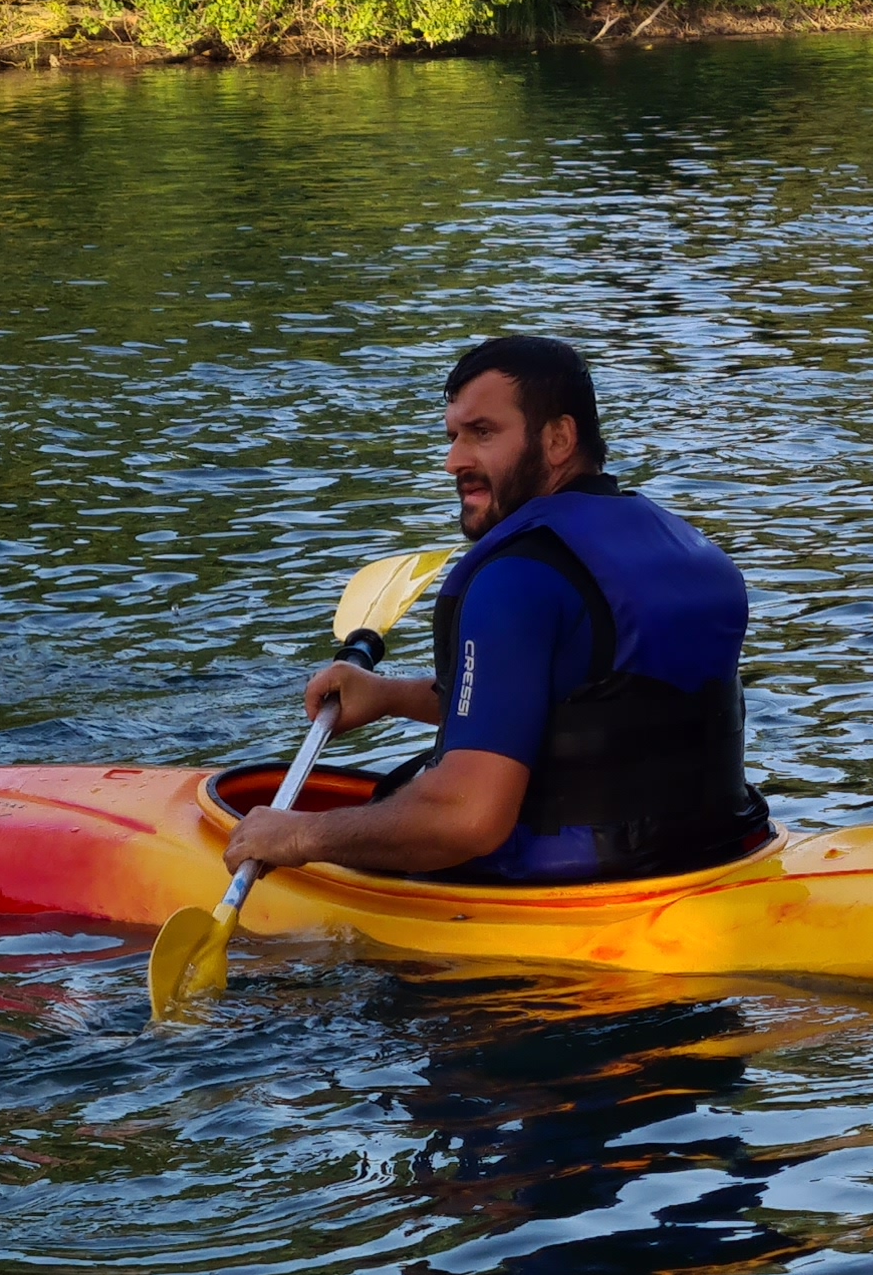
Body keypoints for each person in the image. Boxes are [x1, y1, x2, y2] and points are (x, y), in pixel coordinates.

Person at [221, 336, 770, 888]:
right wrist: (388, 695)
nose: (454, 461)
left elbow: (465, 821)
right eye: (453, 436)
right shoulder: (694, 553)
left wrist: (298, 836)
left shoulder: (515, 577)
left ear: (558, 438)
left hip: (563, 894)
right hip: (716, 858)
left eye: (482, 434)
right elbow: (598, 711)